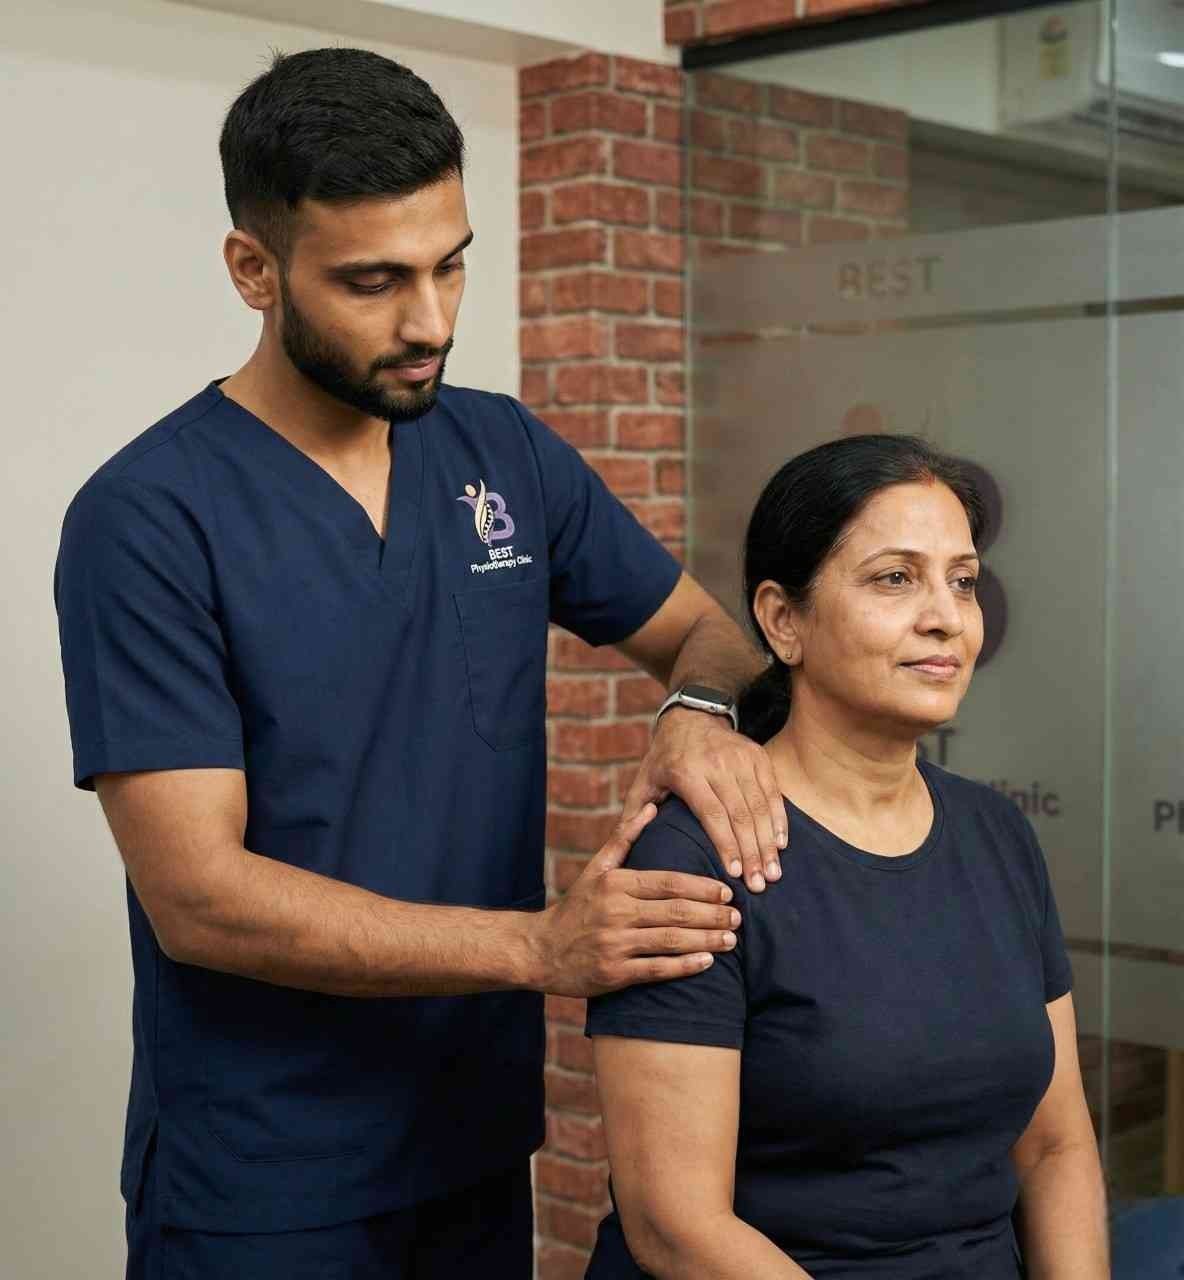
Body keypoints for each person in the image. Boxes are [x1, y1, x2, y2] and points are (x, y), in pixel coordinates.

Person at [52, 48, 791, 1280]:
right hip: (267, 1180)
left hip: (472, 1141)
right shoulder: (148, 516)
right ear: (253, 268)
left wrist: (697, 710)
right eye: (372, 281)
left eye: (450, 263)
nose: (431, 320)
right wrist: (540, 948)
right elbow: (197, 895)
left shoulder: (501, 449)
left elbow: (704, 630)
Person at [585, 435, 1109, 1278]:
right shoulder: (696, 857)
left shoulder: (997, 836)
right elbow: (676, 1226)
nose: (945, 615)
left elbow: (1055, 1147)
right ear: (782, 620)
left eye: (963, 580)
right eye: (895, 578)